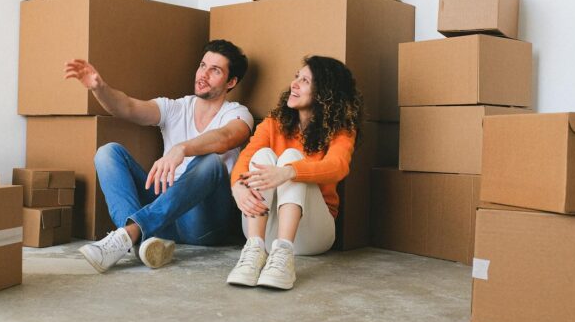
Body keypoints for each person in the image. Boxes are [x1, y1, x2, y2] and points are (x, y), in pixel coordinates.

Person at [64, 40, 253, 273]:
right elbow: (128, 108)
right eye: (202, 66)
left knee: (212, 161)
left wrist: (181, 148)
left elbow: (225, 138)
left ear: (231, 82)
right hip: (162, 215)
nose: (203, 74)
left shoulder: (237, 113)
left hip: (203, 222)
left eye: (215, 70)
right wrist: (99, 88)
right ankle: (142, 241)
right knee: (108, 153)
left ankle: (130, 233)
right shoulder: (176, 107)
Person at [227, 56, 362, 290]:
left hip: (311, 235)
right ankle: (253, 253)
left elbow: (338, 166)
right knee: (261, 157)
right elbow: (245, 160)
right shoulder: (273, 123)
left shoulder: (341, 130)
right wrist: (237, 187)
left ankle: (283, 258)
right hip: (263, 229)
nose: (294, 84)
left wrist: (288, 172)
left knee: (291, 159)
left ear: (324, 93)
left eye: (305, 81)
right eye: (296, 77)